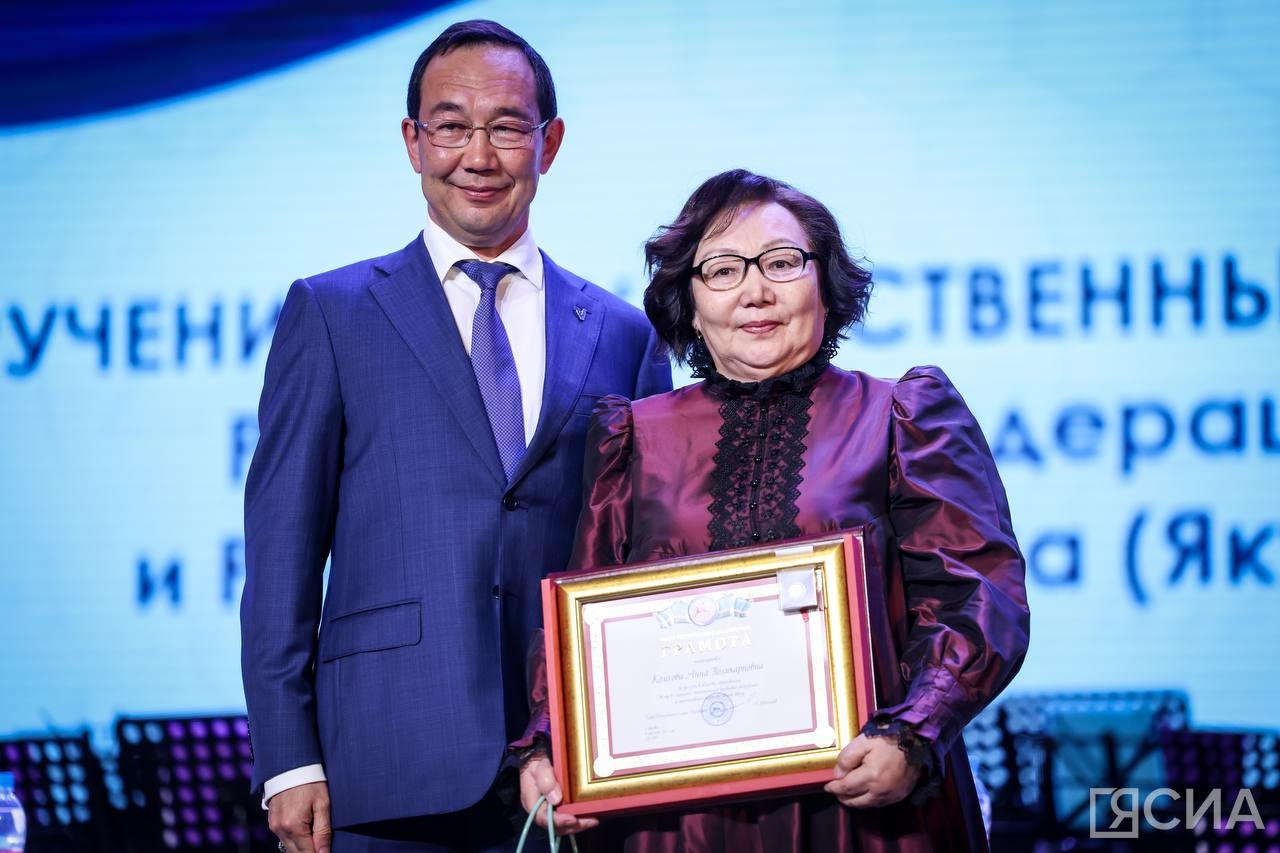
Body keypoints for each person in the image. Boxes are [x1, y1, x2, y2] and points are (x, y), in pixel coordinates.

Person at [241, 19, 671, 853]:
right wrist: (287, 757)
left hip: (575, 764)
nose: (478, 155)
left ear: (549, 143)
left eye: (507, 127)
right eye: (450, 126)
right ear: (413, 142)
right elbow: (282, 551)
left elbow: (648, 555)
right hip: (386, 765)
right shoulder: (332, 313)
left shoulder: (624, 332)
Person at [518, 169, 1030, 851]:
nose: (754, 291)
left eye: (782, 263)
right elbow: (579, 626)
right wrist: (550, 744)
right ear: (689, 302)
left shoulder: (901, 415)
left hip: (867, 797)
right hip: (679, 820)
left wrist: (913, 731)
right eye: (722, 270)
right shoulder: (632, 437)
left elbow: (977, 594)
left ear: (825, 283)